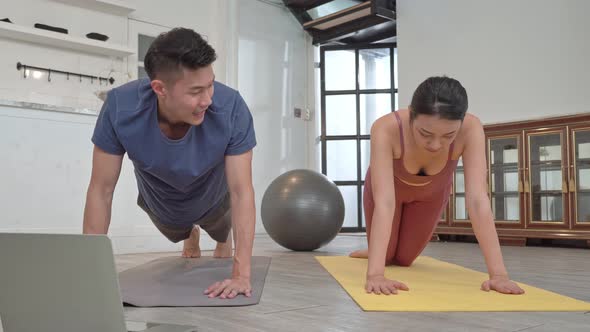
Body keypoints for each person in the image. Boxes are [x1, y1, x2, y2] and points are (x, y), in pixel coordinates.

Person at [83, 28, 257, 299]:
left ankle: (221, 239)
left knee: (222, 225)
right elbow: (101, 190)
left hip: (215, 199)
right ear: (159, 89)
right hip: (163, 203)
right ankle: (190, 232)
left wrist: (241, 275)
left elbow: (241, 191)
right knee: (177, 224)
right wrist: (90, 272)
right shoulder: (120, 107)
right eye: (196, 90)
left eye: (210, 84)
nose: (207, 100)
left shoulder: (231, 106)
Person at [350, 76, 525, 296]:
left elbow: (478, 200)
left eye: (448, 136)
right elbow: (385, 202)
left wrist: (499, 275)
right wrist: (375, 275)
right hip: (387, 191)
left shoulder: (471, 129)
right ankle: (374, 251)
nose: (435, 145)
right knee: (385, 258)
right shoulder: (385, 128)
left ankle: (384, 249)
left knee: (404, 260)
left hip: (430, 195)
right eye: (425, 134)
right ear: (411, 114)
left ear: (461, 122)